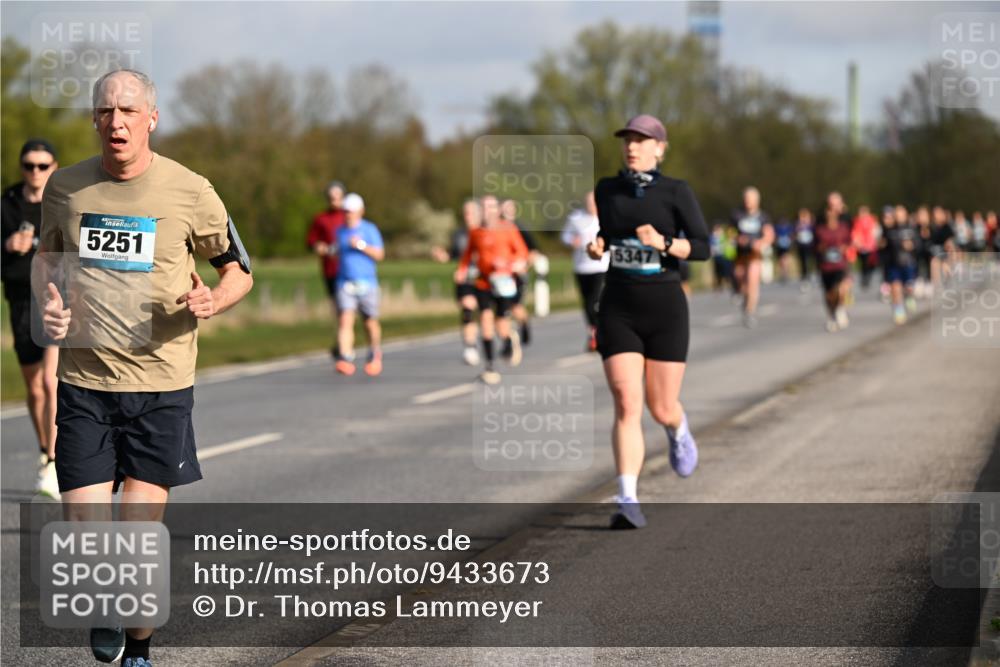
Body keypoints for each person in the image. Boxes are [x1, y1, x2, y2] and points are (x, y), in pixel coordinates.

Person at [37, 69, 253, 666]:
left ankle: (140, 648)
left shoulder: (191, 190)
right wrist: (50, 301)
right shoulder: (66, 188)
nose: (117, 122)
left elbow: (237, 269)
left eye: (129, 110)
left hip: (161, 386)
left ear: (151, 119)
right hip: (85, 382)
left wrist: (215, 297)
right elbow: (46, 260)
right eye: (106, 111)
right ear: (94, 121)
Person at [585, 114, 710, 529]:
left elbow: (704, 247)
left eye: (642, 140)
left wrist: (664, 243)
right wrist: (598, 244)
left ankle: (678, 429)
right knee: (625, 401)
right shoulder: (608, 189)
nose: (632, 147)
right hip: (618, 306)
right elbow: (608, 232)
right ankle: (628, 498)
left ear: (660, 147)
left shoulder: (677, 191)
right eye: (628, 140)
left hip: (665, 308)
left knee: (660, 407)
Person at [2, 139, 61, 498]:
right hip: (21, 300)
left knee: (53, 383)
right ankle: (44, 450)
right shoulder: (6, 204)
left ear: (54, 166)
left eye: (43, 165)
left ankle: (54, 461)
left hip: (56, 298)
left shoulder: (64, 202)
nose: (35, 172)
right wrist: (7, 247)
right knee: (35, 388)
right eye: (29, 165)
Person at [456, 195, 528, 384]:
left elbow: (522, 252)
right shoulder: (476, 232)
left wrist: (509, 264)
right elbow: (468, 254)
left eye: (491, 207)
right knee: (485, 320)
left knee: (501, 323)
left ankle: (508, 340)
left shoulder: (508, 229)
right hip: (483, 282)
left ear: (497, 210)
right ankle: (489, 366)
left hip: (504, 282)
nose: (488, 211)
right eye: (484, 207)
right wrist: (461, 270)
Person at [332, 193, 385, 376]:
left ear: (360, 211)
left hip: (367, 283)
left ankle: (374, 353)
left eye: (351, 211)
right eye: (345, 211)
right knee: (345, 319)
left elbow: (379, 255)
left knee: (369, 321)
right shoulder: (340, 231)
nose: (348, 215)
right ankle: (345, 357)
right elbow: (336, 251)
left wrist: (361, 245)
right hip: (345, 282)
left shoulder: (369, 229)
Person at [432, 198, 482, 365]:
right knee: (468, 309)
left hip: (485, 279)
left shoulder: (486, 232)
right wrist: (443, 256)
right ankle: (470, 346)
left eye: (470, 213)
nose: (467, 216)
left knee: (486, 314)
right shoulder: (459, 234)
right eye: (465, 213)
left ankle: (503, 338)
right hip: (465, 279)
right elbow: (454, 254)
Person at [561, 191, 608, 351]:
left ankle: (598, 332)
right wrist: (571, 241)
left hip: (601, 266)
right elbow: (565, 236)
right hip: (581, 267)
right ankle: (593, 332)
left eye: (593, 202)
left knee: (594, 301)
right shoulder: (576, 218)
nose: (591, 205)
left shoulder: (606, 215)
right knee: (586, 302)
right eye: (588, 202)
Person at [306, 181, 346, 358]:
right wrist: (319, 247)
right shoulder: (321, 219)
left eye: (337, 197)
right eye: (331, 198)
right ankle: (341, 342)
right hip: (330, 270)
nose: (334, 201)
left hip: (349, 270)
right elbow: (311, 241)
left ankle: (343, 344)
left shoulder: (348, 217)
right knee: (338, 307)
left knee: (347, 308)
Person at [730, 186, 773, 327]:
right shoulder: (737, 215)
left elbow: (769, 235)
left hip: (755, 254)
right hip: (740, 254)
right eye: (746, 199)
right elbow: (730, 233)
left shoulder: (763, 216)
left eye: (751, 199)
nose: (748, 202)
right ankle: (744, 298)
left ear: (757, 201)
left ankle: (750, 311)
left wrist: (760, 243)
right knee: (740, 278)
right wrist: (738, 239)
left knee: (752, 280)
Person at [500, 198, 539, 346]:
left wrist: (524, 267)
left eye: (509, 208)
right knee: (503, 305)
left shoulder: (521, 228)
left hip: (518, 274)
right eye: (504, 208)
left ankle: (524, 324)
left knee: (515, 305)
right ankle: (507, 338)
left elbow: (534, 251)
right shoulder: (496, 228)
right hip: (502, 274)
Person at [815, 205, 853, 331]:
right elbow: (815, 247)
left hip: (840, 265)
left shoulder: (843, 228)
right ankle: (831, 316)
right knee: (829, 294)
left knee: (841, 289)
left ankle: (840, 309)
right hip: (826, 266)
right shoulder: (820, 230)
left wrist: (844, 248)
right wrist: (822, 249)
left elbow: (850, 242)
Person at [879, 205, 919, 324]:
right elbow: (882, 246)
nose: (899, 217)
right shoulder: (888, 230)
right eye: (896, 214)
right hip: (894, 263)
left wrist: (912, 246)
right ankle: (898, 310)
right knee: (895, 288)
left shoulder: (911, 229)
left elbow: (918, 244)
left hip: (908, 262)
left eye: (901, 214)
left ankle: (909, 296)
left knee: (909, 287)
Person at [851, 205, 879, 291]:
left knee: (872, 263)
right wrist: (857, 242)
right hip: (861, 245)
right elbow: (854, 232)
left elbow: (876, 231)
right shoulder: (856, 221)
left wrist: (876, 241)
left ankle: (868, 276)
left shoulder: (873, 220)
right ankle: (864, 278)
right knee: (864, 263)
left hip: (871, 246)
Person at [794, 208, 815, 291]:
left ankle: (811, 273)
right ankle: (805, 277)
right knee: (803, 262)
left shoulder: (811, 225)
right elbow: (795, 234)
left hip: (810, 245)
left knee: (809, 261)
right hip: (801, 246)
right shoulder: (798, 225)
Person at [772, 216, 795, 284]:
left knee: (784, 259)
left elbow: (791, 235)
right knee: (782, 260)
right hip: (781, 246)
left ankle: (785, 272)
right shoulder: (778, 227)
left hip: (785, 246)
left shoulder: (787, 227)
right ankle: (784, 273)